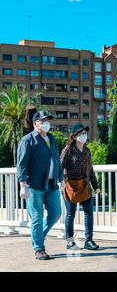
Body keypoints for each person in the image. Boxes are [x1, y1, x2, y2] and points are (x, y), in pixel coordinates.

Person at [17, 111, 65, 260]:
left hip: (51, 185)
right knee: (37, 218)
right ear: (35, 123)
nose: (46, 123)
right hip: (34, 185)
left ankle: (38, 236)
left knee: (56, 213)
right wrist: (22, 185)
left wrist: (61, 178)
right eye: (42, 120)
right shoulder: (27, 140)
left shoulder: (52, 139)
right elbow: (22, 164)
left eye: (47, 120)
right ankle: (39, 249)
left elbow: (56, 160)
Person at [60, 123, 100, 250]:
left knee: (89, 213)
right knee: (70, 214)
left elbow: (90, 169)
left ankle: (89, 240)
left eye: (85, 133)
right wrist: (60, 182)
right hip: (70, 185)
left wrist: (95, 185)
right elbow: (59, 166)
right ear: (74, 135)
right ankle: (70, 241)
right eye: (81, 133)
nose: (84, 136)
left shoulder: (87, 151)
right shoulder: (68, 150)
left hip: (85, 185)